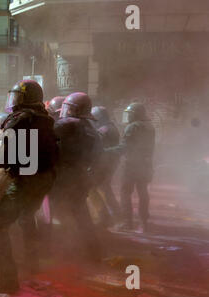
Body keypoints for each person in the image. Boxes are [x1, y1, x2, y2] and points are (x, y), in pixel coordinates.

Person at [0, 80, 58, 293]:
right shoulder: (46, 119)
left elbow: (2, 158)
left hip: (25, 182)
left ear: (25, 99)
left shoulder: (19, 119)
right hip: (44, 180)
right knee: (27, 218)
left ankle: (8, 279)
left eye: (17, 96)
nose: (14, 101)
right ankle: (32, 263)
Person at [52, 92, 103, 262]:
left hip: (64, 177)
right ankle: (93, 253)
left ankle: (56, 251)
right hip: (80, 176)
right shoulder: (90, 129)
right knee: (81, 215)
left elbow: (46, 134)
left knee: (54, 212)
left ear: (73, 109)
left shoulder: (69, 124)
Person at [107, 102, 155, 232]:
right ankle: (143, 223)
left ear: (136, 114)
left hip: (131, 164)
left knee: (125, 192)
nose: (127, 117)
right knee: (143, 192)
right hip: (145, 164)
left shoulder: (132, 127)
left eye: (130, 114)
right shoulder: (150, 126)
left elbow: (125, 147)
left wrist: (107, 151)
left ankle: (127, 222)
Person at [87, 106, 122, 227]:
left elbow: (96, 149)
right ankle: (117, 215)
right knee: (105, 189)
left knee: (92, 188)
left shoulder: (103, 130)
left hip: (103, 165)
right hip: (110, 164)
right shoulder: (111, 127)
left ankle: (105, 216)